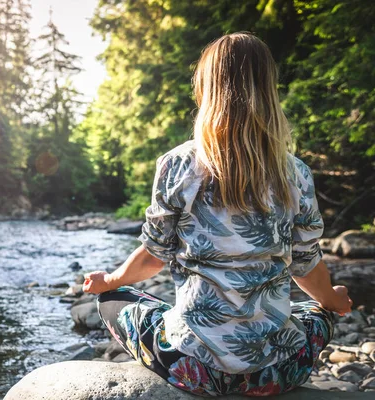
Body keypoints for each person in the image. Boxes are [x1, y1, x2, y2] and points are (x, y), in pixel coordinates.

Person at [82, 32, 353, 397]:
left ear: (207, 89)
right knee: (318, 314)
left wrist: (110, 281)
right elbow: (305, 263)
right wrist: (334, 301)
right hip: (275, 372)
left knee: (114, 302)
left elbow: (152, 257)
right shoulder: (296, 174)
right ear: (268, 90)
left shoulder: (177, 165)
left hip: (193, 368)